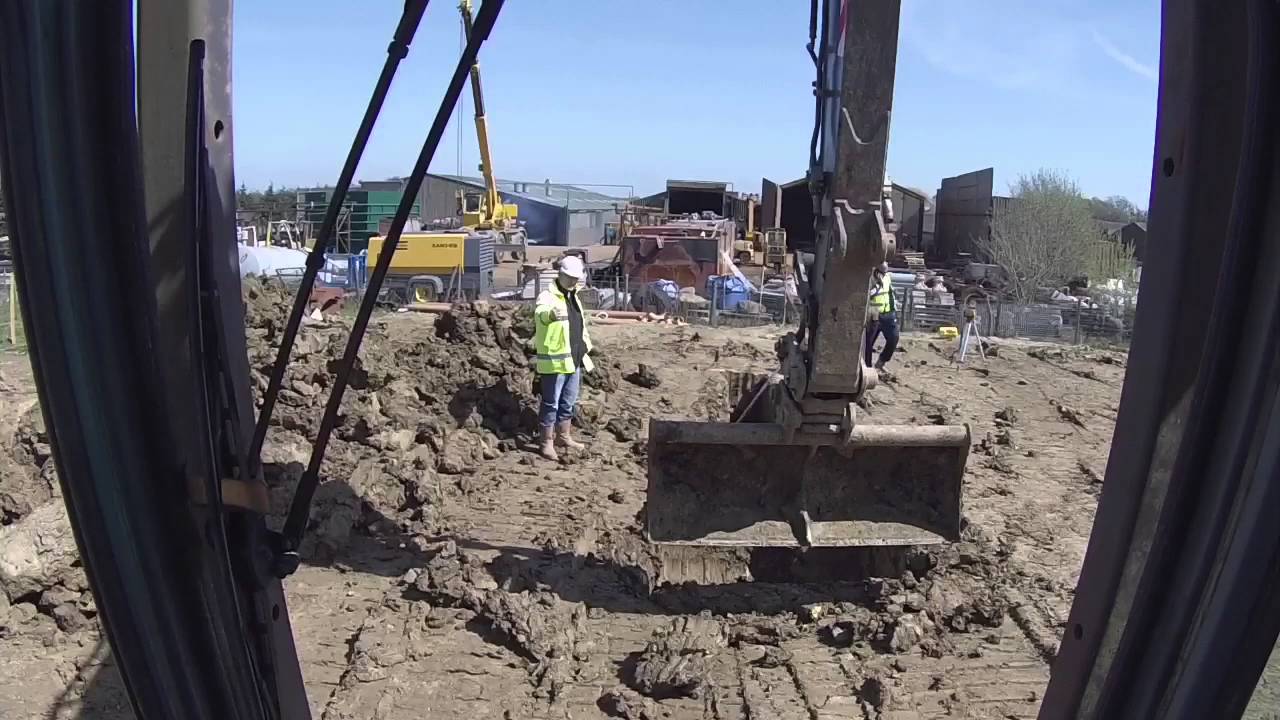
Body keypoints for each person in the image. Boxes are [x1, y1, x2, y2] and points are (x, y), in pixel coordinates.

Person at [533, 255, 594, 461]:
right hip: (555, 360)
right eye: (571, 278)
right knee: (551, 403)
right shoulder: (548, 297)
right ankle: (546, 442)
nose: (574, 282)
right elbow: (540, 313)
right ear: (561, 275)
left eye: (576, 279)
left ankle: (563, 436)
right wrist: (550, 315)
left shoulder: (573, 296)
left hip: (574, 358)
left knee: (568, 401)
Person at [864, 261, 900, 370]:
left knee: (894, 338)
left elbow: (889, 293)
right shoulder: (870, 278)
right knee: (868, 344)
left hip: (888, 314)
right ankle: (867, 367)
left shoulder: (887, 277)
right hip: (874, 315)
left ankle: (882, 360)